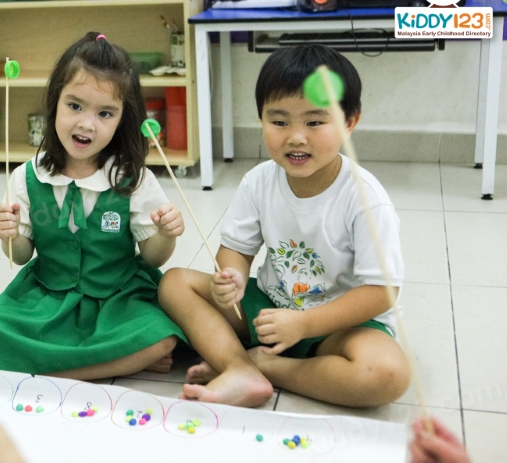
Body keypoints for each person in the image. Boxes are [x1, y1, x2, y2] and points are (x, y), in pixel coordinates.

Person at [158, 45, 411, 408]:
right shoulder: (258, 181)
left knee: (387, 375)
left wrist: (306, 325)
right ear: (260, 119)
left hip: (338, 325)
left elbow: (381, 292)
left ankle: (264, 367)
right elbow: (237, 251)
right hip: (268, 309)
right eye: (279, 122)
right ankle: (238, 367)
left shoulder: (365, 199)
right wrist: (231, 279)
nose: (295, 137)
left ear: (349, 122)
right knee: (175, 282)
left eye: (314, 122)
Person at [0, 32, 186, 379]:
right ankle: (110, 362)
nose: (86, 123)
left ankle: (52, 373)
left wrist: (167, 234)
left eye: (105, 113)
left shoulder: (132, 178)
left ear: (123, 119)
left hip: (119, 297)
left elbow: (153, 258)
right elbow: (20, 256)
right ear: (55, 102)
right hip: (48, 297)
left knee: (163, 339)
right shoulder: (27, 177)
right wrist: (8, 235)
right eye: (74, 105)